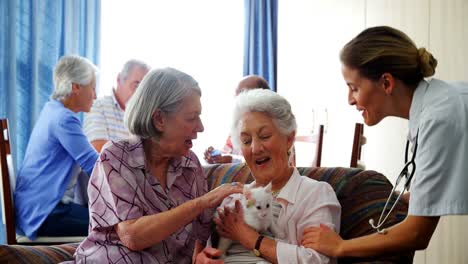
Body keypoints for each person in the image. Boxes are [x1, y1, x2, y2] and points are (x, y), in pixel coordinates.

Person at [301, 26, 468, 258]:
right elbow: (429, 193)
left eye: (354, 88)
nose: (350, 100)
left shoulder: (438, 119)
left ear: (386, 83)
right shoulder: (438, 103)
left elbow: (417, 234)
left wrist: (340, 247)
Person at [73, 68, 243, 263]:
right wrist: (203, 201)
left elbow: (200, 237)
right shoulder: (117, 157)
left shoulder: (190, 164)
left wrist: (201, 257)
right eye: (191, 118)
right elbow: (133, 236)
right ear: (159, 119)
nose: (200, 127)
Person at [195, 89, 341, 263]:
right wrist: (204, 258)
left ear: (289, 138)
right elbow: (210, 250)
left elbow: (317, 260)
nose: (255, 148)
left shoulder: (314, 193)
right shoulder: (232, 198)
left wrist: (249, 238)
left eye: (264, 136)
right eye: (246, 141)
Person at [14, 55, 99, 240]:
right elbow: (95, 165)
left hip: (36, 209)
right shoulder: (64, 119)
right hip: (45, 213)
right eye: (92, 88)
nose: (95, 95)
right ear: (76, 87)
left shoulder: (52, 110)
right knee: (117, 226)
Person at [83, 59, 150, 152]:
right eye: (136, 85)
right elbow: (100, 151)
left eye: (144, 88)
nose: (140, 94)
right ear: (119, 79)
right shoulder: (98, 106)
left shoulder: (143, 116)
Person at [204, 75, 270, 164]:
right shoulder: (236, 129)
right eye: (236, 93)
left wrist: (232, 159)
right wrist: (215, 157)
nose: (237, 98)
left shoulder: (274, 126)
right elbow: (226, 153)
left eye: (243, 92)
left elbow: (265, 161)